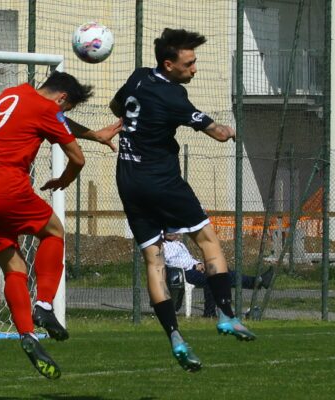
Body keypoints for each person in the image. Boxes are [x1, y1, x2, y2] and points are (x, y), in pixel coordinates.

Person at [110, 28, 257, 372]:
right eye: (189, 64)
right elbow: (217, 133)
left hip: (128, 181)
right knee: (209, 241)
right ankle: (226, 315)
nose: (194, 69)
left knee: (154, 259)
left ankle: (175, 337)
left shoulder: (138, 77)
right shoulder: (174, 97)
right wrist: (230, 130)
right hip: (162, 181)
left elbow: (118, 106)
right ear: (169, 64)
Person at [0, 71, 121, 379]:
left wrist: (95, 134)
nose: (63, 114)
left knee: (15, 267)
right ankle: (45, 304)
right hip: (6, 191)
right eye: (66, 109)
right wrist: (65, 178)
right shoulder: (48, 110)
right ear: (62, 99)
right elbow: (77, 159)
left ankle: (27, 335)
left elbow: (54, 121)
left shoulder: (14, 94)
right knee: (54, 230)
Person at [163, 232, 274, 317]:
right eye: (169, 231)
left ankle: (257, 281)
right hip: (185, 273)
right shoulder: (164, 246)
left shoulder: (179, 244)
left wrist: (199, 264)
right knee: (211, 278)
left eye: (174, 230)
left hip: (195, 268)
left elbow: (190, 259)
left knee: (223, 272)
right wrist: (194, 266)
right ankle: (210, 313)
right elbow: (170, 262)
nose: (174, 233)